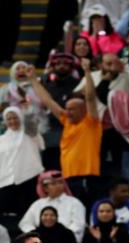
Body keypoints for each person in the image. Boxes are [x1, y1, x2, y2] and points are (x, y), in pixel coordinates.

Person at [29, 61, 102, 209]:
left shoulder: (91, 123)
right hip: (68, 176)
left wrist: (87, 71)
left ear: (83, 110)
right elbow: (48, 101)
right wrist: (32, 79)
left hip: (87, 175)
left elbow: (90, 97)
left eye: (72, 109)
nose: (67, 112)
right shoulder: (67, 122)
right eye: (67, 109)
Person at [0, 106, 43, 217]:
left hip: (29, 181)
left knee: (29, 216)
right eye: (9, 119)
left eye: (15, 117)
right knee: (7, 218)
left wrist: (26, 108)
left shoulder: (30, 134)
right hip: (4, 183)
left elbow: (31, 123)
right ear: (5, 121)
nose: (12, 121)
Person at [19, 171, 87, 243]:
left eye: (60, 182)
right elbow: (25, 223)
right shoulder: (38, 204)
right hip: (41, 242)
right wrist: (36, 234)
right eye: (53, 183)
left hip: (64, 242)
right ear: (45, 188)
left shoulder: (74, 203)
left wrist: (62, 236)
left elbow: (78, 224)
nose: (58, 186)